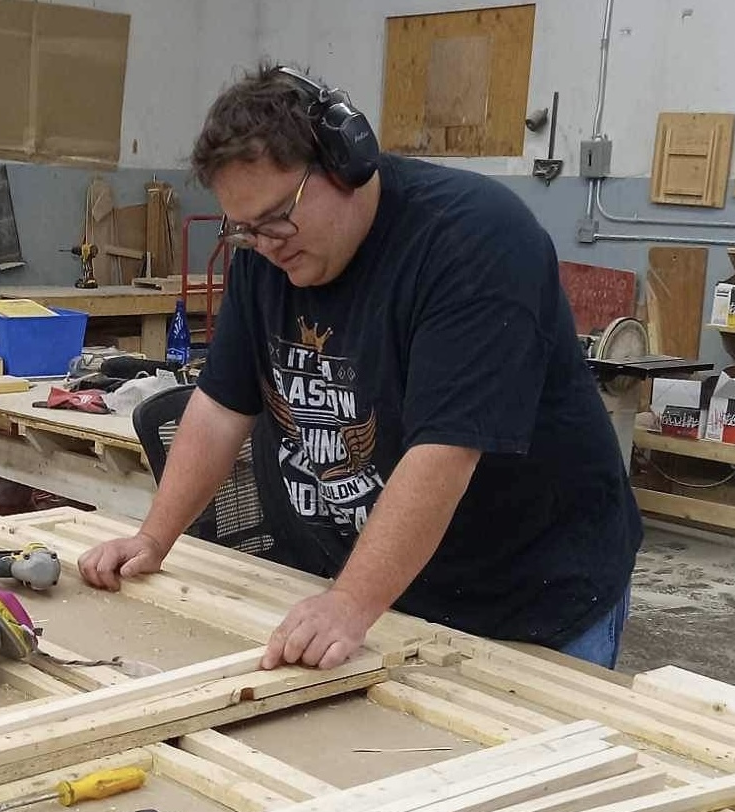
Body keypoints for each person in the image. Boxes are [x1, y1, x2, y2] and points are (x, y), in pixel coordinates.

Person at [78, 66, 642, 671]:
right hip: (384, 589)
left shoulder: (474, 243)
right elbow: (219, 409)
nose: (266, 243)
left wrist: (350, 601)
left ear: (346, 163)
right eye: (245, 230)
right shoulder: (268, 257)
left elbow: (445, 451)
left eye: (276, 218)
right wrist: (153, 538)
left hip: (527, 596)